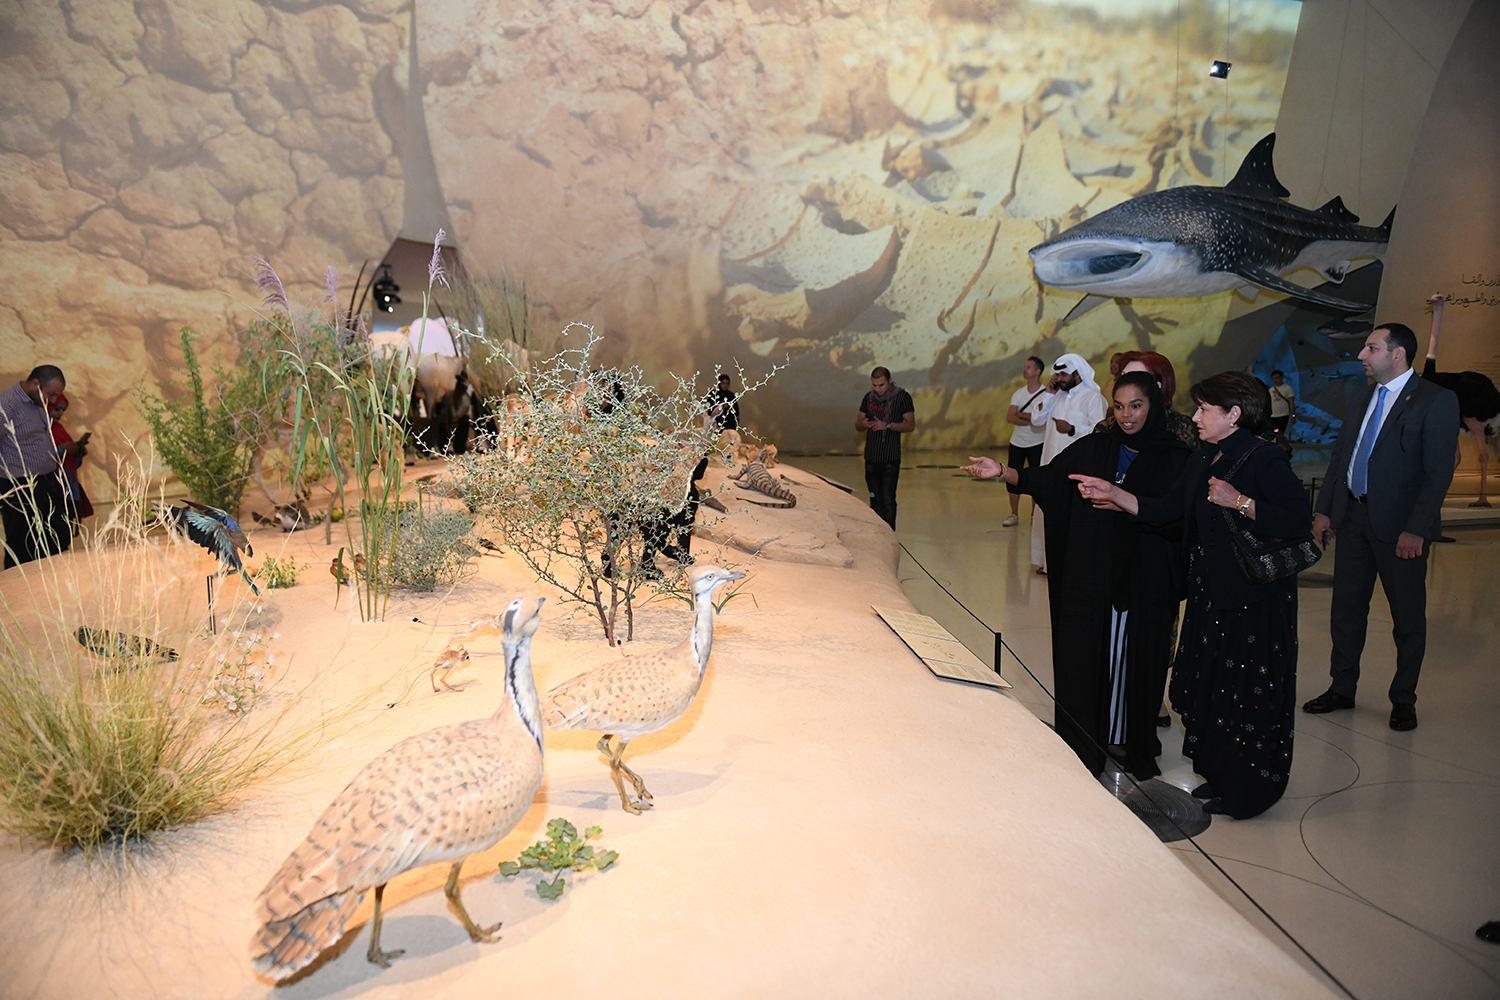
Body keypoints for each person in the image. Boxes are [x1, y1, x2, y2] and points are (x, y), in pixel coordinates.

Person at [1071, 372, 1312, 819]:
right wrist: (1115, 494)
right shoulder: (1205, 456)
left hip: (1255, 601)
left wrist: (1240, 502)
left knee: (1247, 694)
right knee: (1212, 688)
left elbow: (1299, 521)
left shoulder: (1265, 458)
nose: (1195, 417)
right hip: (1209, 595)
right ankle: (1220, 775)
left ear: (1234, 414)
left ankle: (1249, 791)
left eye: (1204, 409)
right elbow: (1166, 510)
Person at [963, 373, 1192, 778]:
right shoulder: (1097, 447)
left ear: (1153, 405)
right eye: (1119, 406)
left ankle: (1126, 739)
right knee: (1090, 658)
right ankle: (1088, 739)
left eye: (1136, 405)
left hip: (1144, 581)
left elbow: (1177, 515)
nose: (1126, 415)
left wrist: (1124, 501)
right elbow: (1051, 479)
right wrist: (1002, 471)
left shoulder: (1175, 456)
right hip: (1096, 577)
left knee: (1132, 661)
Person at [1304, 323, 1460, 732]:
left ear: (1397, 354)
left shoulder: (1435, 400)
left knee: (1407, 620)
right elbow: (1342, 457)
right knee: (1346, 611)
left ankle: (1404, 699)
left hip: (1401, 528)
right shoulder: (1362, 397)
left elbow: (1438, 473)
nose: (1361, 355)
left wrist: (1417, 529)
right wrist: (1325, 511)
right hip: (1353, 520)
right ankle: (1342, 688)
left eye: (1371, 348)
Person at [1030, 354, 1107, 573]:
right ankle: (1047, 562)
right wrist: (1048, 395)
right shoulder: (1056, 396)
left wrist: (1072, 429)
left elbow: (1100, 433)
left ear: (1077, 374)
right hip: (1050, 464)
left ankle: (1068, 565)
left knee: (1069, 518)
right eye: (1058, 375)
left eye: (1064, 374)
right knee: (1047, 513)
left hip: (1076, 471)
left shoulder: (1093, 398)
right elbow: (1036, 420)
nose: (1060, 379)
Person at [0, 365, 75, 567]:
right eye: (51, 394)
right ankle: (19, 586)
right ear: (35, 383)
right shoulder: (8, 404)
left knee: (56, 539)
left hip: (47, 483)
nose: (53, 400)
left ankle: (54, 583)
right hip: (20, 487)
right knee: (22, 545)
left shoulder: (37, 402)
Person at [856, 367, 914, 529]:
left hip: (890, 458)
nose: (878, 389)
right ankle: (877, 534)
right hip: (871, 457)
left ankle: (889, 535)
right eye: (874, 385)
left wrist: (887, 425)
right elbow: (858, 424)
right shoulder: (869, 398)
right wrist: (863, 424)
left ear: (889, 381)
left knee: (887, 499)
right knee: (874, 499)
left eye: (881, 385)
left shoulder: (902, 397)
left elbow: (910, 425)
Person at [1116, 351, 1199, 449]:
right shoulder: (1108, 427)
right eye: (1123, 377)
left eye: (1136, 380)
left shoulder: (1181, 427)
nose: (1125, 386)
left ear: (1158, 386)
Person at [1002, 356, 1048, 528]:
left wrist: (1022, 416)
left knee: (1036, 478)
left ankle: (1034, 514)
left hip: (1037, 442)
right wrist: (1030, 418)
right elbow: (1010, 416)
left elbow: (1042, 420)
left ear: (1038, 371)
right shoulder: (1019, 393)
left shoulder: (1046, 394)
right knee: (1011, 477)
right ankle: (1014, 514)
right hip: (1017, 443)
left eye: (1028, 367)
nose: (1024, 369)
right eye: (1025, 366)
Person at [47, 393, 93, 532]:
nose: (60, 413)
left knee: (65, 534)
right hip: (52, 490)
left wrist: (78, 453)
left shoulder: (59, 429)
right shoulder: (41, 431)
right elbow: (40, 458)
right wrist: (62, 449)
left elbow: (72, 464)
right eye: (56, 409)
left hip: (69, 488)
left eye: (62, 410)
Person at [1268, 370, 1295, 445]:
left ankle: (1288, 448)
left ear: (1282, 378)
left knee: (1279, 434)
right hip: (1273, 415)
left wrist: (1293, 415)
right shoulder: (1271, 390)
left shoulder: (1288, 388)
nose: (1275, 380)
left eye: (1277, 378)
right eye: (1274, 378)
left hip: (1283, 415)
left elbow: (1291, 403)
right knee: (1272, 435)